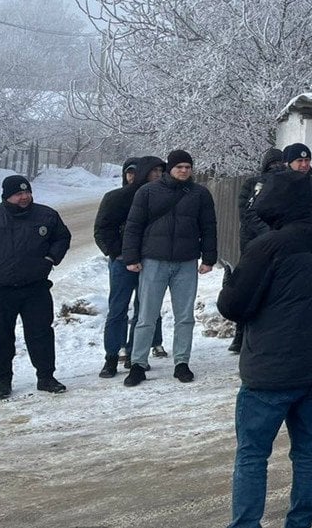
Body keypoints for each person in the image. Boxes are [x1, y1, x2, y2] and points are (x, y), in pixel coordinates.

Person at [215, 170, 312, 528]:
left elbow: (235, 307)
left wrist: (228, 284)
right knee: (307, 453)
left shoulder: (266, 247)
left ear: (272, 203)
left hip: (270, 369)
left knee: (252, 457)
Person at [0, 175, 71, 399]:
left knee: (41, 333)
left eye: (27, 192)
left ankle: (46, 377)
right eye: (18, 194)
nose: (24, 197)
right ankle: (3, 382)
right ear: (6, 196)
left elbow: (62, 237)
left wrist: (50, 259)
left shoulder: (46, 215)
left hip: (35, 288)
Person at [121, 149, 218, 386]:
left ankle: (182, 362)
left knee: (185, 316)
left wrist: (209, 258)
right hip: (154, 260)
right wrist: (131, 257)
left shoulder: (200, 194)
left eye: (187, 167)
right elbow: (134, 225)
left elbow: (208, 227)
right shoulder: (148, 192)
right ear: (170, 169)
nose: (184, 171)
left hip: (186, 262)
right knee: (146, 315)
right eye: (179, 167)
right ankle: (138, 364)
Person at [93, 156, 168, 377]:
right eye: (154, 171)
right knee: (118, 309)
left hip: (151, 260)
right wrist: (118, 253)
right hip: (122, 262)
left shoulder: (161, 198)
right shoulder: (116, 197)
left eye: (160, 171)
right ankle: (111, 357)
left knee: (145, 310)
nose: (158, 175)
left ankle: (136, 353)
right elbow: (102, 229)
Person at [229, 147, 286, 353]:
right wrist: (271, 233)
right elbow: (248, 214)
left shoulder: (281, 183)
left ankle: (245, 334)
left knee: (252, 288)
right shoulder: (255, 184)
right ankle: (242, 334)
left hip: (261, 242)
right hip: (259, 242)